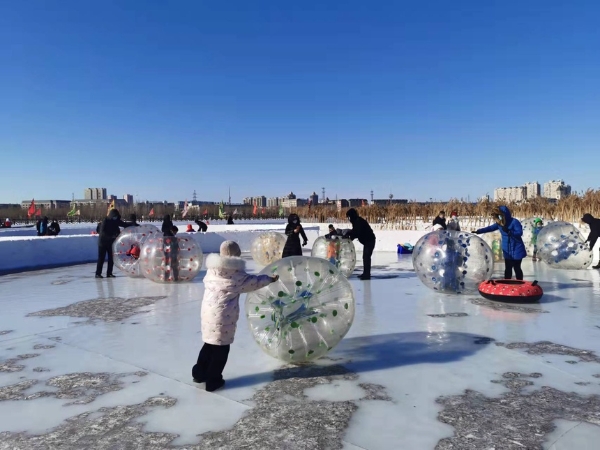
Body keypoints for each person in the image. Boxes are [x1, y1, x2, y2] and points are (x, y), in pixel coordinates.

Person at [192, 240, 278, 391]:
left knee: (209, 344)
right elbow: (253, 282)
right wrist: (270, 279)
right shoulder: (235, 274)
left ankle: (199, 374)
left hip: (207, 313)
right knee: (221, 348)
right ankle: (213, 380)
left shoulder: (212, 270)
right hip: (223, 316)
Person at [475, 206, 526, 280]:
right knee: (508, 268)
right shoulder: (500, 224)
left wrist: (509, 231)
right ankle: (507, 283)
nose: (499, 218)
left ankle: (520, 283)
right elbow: (490, 228)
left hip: (517, 248)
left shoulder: (514, 222)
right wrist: (479, 231)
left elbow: (519, 233)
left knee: (517, 267)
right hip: (507, 250)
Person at [95, 209, 131, 278]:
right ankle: (98, 273)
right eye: (114, 216)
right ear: (111, 216)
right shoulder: (105, 221)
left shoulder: (116, 221)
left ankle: (109, 273)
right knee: (101, 258)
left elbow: (124, 224)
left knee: (111, 258)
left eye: (117, 216)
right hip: (102, 242)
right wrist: (112, 236)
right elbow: (102, 233)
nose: (116, 218)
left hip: (110, 243)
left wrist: (133, 224)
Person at [345, 208, 376, 280]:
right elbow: (355, 231)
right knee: (365, 257)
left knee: (366, 257)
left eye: (349, 217)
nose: (349, 219)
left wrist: (350, 237)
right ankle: (365, 273)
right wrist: (349, 233)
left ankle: (367, 274)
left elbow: (357, 232)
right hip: (367, 241)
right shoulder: (356, 221)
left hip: (369, 241)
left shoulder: (358, 221)